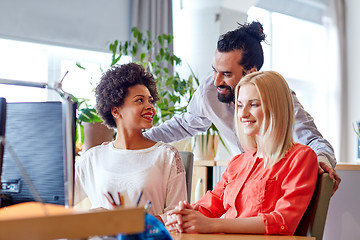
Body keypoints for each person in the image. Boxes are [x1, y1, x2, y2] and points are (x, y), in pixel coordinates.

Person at [144, 21, 340, 193]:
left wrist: (321, 161)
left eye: (226, 74)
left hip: (277, 186)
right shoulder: (209, 92)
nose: (216, 81)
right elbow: (184, 124)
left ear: (251, 72)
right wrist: (138, 139)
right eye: (214, 71)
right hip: (244, 181)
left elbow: (314, 140)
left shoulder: (279, 97)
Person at [166, 71, 318, 235]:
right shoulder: (238, 162)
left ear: (276, 107)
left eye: (253, 104)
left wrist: (214, 225)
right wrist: (186, 214)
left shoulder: (301, 157)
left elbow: (283, 222)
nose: (242, 114)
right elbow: (209, 205)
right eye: (239, 105)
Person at [74, 63, 187, 224]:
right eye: (139, 100)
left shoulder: (166, 156)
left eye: (150, 100)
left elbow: (176, 217)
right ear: (115, 111)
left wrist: (124, 220)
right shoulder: (92, 158)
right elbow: (58, 203)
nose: (150, 107)